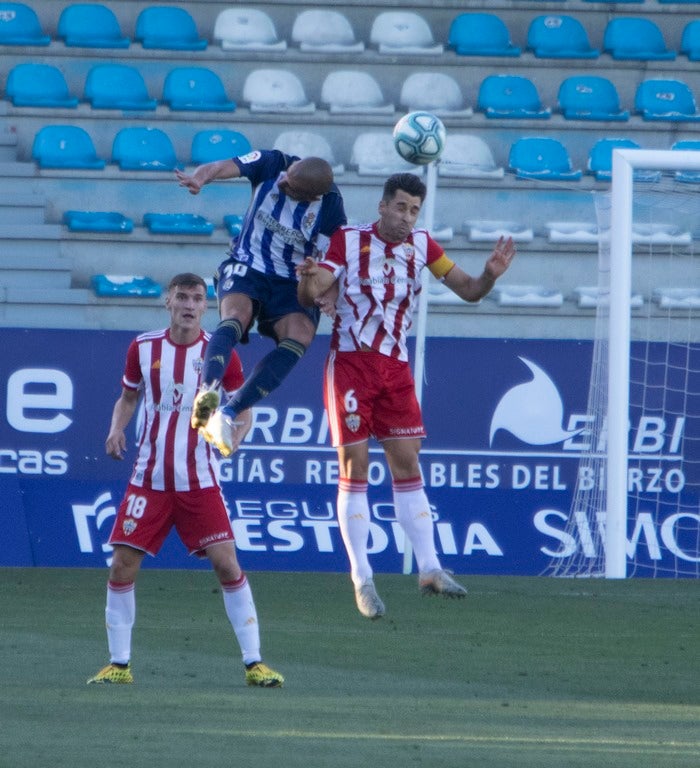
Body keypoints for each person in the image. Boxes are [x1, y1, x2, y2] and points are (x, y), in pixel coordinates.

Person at [297, 173, 516, 619]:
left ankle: (430, 569)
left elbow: (470, 291)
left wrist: (489, 276)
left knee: (407, 463)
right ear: (381, 206)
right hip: (353, 363)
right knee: (354, 466)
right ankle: (362, 579)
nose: (406, 217)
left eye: (414, 210)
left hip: (395, 370)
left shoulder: (424, 246)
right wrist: (310, 280)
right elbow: (313, 289)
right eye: (400, 207)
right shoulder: (348, 238)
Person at [87, 273, 283, 687]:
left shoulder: (221, 352)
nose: (189, 305)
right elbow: (128, 396)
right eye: (182, 297)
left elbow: (243, 407)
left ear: (206, 306)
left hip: (200, 479)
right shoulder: (143, 347)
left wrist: (236, 435)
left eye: (197, 298)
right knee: (122, 566)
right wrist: (115, 429)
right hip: (150, 479)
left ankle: (255, 663)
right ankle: (118, 665)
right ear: (168, 302)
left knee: (227, 563)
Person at [175, 150, 347, 457]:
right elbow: (221, 163)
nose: (283, 181)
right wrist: (203, 176)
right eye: (287, 174)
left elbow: (334, 262)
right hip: (248, 264)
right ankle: (208, 391)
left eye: (291, 186)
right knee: (235, 315)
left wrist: (328, 293)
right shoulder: (273, 162)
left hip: (292, 279)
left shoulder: (331, 209)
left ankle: (230, 412)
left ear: (311, 196)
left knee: (301, 336)